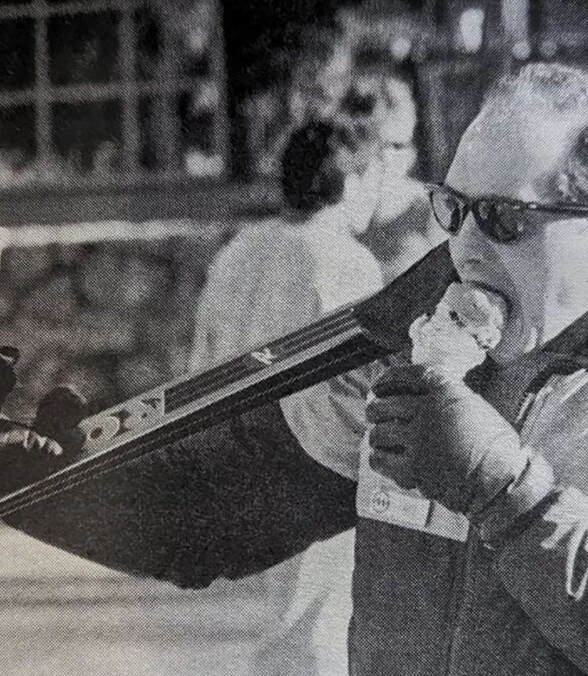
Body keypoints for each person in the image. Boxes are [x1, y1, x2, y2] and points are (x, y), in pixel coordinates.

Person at [0, 63, 588, 676]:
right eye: (451, 208)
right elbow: (213, 523)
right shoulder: (415, 364)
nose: (460, 248)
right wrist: (31, 481)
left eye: (502, 219)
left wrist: (509, 495)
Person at [188, 103, 395, 673]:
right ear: (350, 181)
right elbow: (364, 389)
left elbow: (199, 364)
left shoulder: (238, 252)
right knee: (314, 644)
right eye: (373, 178)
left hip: (232, 470)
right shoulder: (347, 261)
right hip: (311, 475)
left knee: (268, 641)